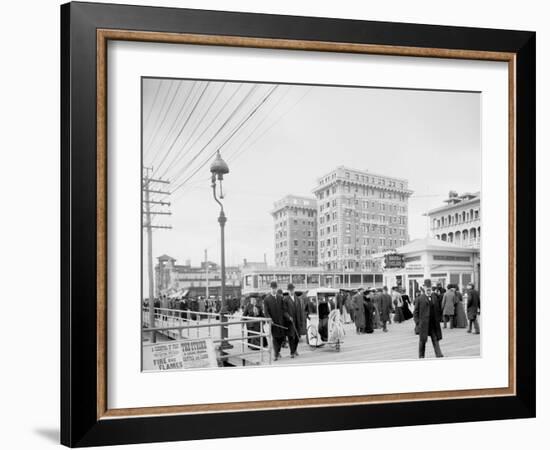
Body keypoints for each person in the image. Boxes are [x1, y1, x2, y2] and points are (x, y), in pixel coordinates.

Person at [413, 284, 444, 358]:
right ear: (425, 290)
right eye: (427, 290)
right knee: (422, 341)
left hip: (433, 323)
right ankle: (421, 356)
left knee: (435, 339)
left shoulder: (435, 297)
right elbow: (415, 312)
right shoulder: (420, 298)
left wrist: (439, 318)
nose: (429, 291)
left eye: (430, 290)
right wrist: (418, 322)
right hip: (423, 324)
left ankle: (438, 354)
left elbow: (439, 308)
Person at [263, 281, 286, 360]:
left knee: (281, 338)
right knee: (275, 338)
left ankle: (278, 351)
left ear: (277, 288)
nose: (274, 290)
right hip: (273, 322)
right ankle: (275, 354)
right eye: (272, 288)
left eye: (275, 288)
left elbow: (283, 309)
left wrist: (286, 317)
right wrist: (269, 319)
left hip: (281, 322)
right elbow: (266, 311)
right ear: (270, 288)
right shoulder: (267, 299)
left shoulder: (280, 297)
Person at [282, 283, 306, 358]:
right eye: (290, 290)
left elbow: (300, 310)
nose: (291, 291)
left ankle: (295, 349)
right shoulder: (285, 299)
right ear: (288, 291)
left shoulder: (297, 299)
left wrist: (302, 320)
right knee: (291, 337)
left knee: (297, 336)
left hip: (297, 321)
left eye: (292, 289)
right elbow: (284, 311)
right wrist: (288, 317)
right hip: (290, 322)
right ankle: (292, 352)